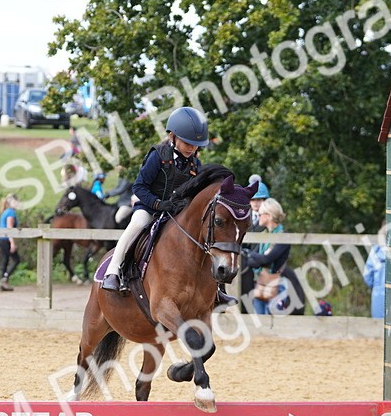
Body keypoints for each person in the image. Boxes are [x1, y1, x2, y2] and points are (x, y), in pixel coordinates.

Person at [102, 106, 238, 308]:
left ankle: (217, 289)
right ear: (172, 136)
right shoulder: (158, 155)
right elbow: (139, 186)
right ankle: (113, 272)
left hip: (176, 212)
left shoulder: (194, 164)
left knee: (204, 237)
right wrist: (158, 203)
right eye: (188, 143)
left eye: (196, 145)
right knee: (137, 223)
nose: (192, 148)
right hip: (150, 207)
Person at [246, 198, 290, 314]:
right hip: (261, 285)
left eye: (260, 214)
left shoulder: (283, 236)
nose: (258, 216)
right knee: (260, 329)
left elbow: (267, 259)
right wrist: (257, 257)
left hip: (277, 286)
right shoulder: (263, 235)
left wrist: (250, 253)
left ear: (269, 215)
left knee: (274, 329)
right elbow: (250, 262)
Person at [0, 194, 21, 291]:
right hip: (6, 239)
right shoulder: (11, 213)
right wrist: (12, 242)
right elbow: (9, 228)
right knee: (16, 260)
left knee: (5, 259)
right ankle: (5, 278)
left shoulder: (5, 211)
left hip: (0, 238)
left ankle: (3, 282)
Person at [363, 244, 387, 320]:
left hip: (378, 295)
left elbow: (367, 275)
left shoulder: (376, 250)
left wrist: (376, 287)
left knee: (378, 326)